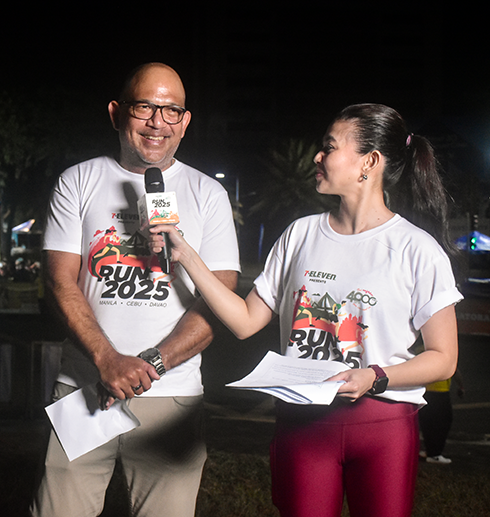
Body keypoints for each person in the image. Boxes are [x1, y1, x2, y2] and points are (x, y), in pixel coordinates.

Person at [148, 103, 462, 517]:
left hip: (382, 426)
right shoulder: (299, 235)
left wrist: (374, 376)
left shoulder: (416, 249)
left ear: (369, 162)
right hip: (302, 422)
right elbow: (245, 321)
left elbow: (444, 358)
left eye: (329, 147)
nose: (317, 157)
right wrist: (185, 254)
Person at [30, 63, 240, 517]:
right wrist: (106, 360)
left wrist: (151, 364)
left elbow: (219, 297)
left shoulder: (207, 193)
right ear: (116, 113)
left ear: (185, 121)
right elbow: (59, 280)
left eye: (171, 110)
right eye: (144, 107)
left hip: (171, 393)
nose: (157, 122)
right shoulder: (77, 180)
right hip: (84, 387)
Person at [419, 369, 465, 464]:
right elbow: (454, 370)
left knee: (428, 422)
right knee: (443, 423)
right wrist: (461, 386)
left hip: (425, 390)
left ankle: (429, 451)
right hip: (440, 391)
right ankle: (435, 454)